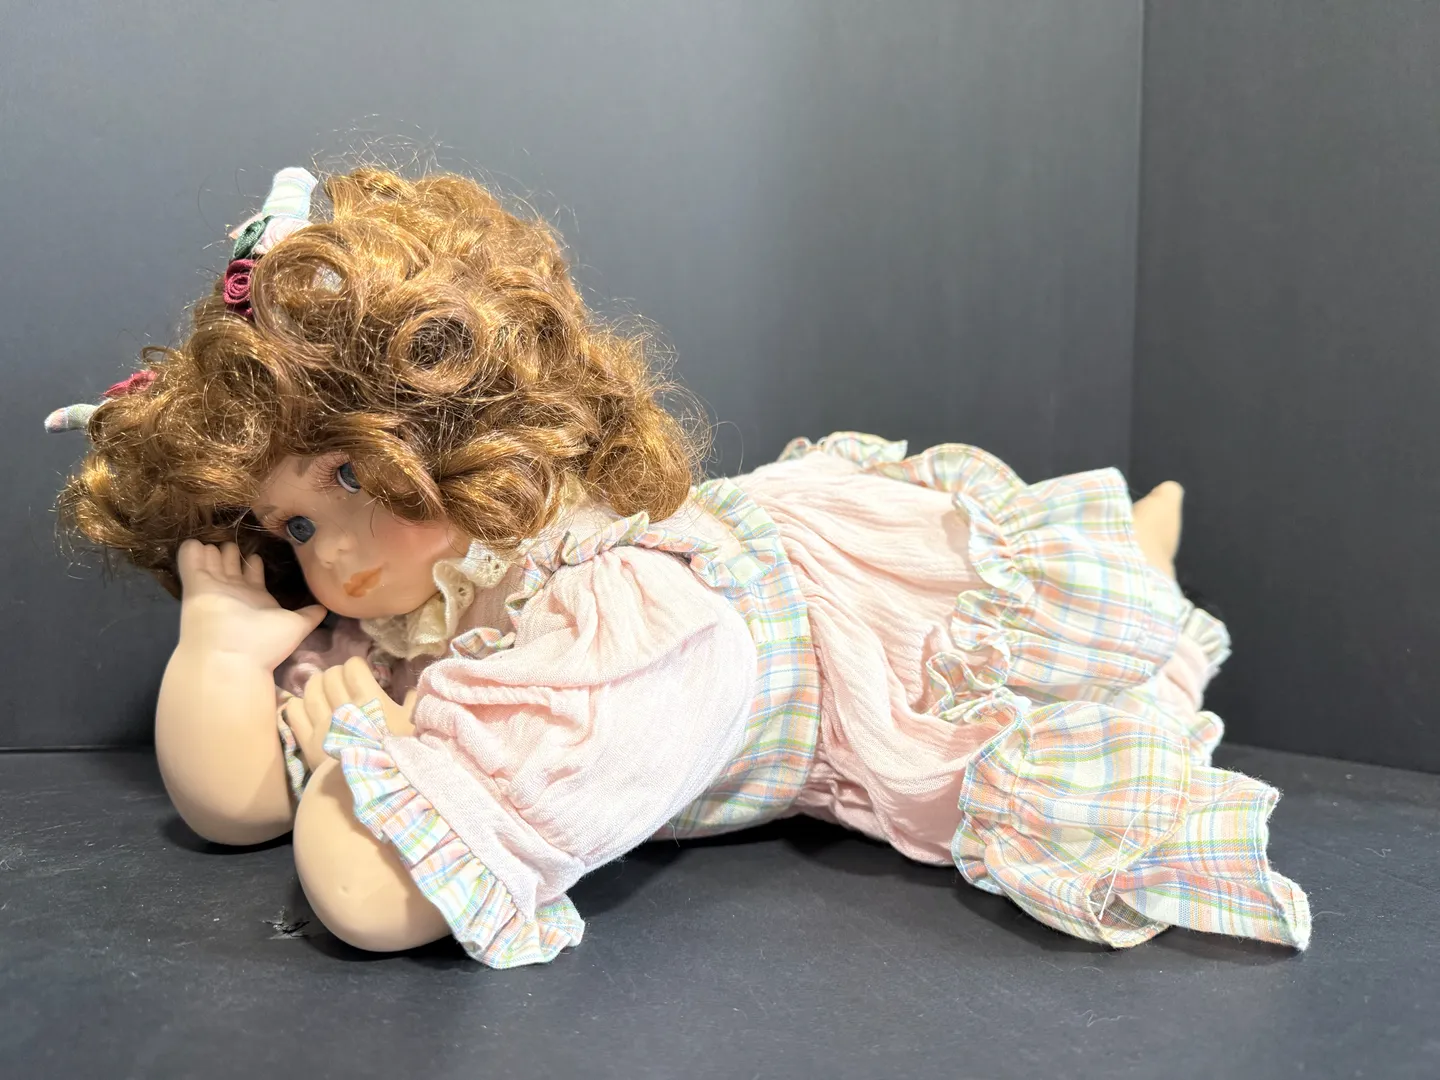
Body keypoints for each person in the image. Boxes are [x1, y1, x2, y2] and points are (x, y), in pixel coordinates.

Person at [48, 165, 1310, 967]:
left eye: (355, 479)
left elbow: (376, 899)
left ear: (468, 437)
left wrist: (361, 754)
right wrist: (222, 648)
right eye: (294, 527)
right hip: (737, 578)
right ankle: (1132, 532)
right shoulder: (412, 613)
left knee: (1039, 596)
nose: (336, 551)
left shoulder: (634, 628)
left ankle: (1134, 542)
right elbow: (233, 807)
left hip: (842, 620)